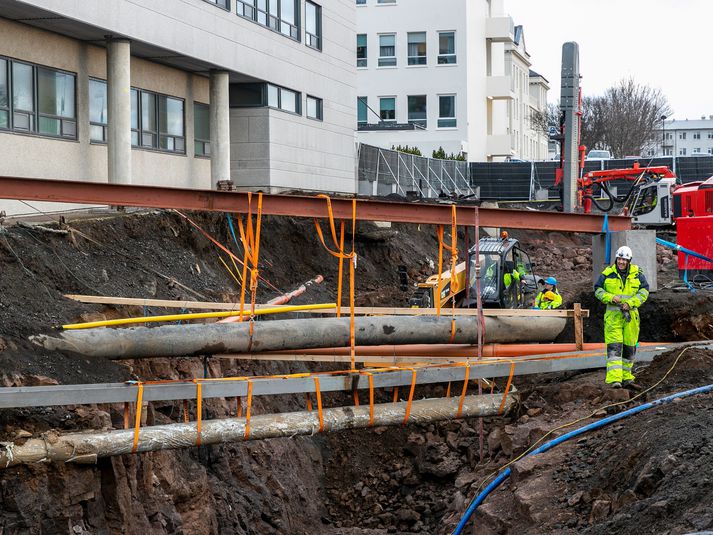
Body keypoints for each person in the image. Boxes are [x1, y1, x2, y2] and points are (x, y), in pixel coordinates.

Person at [594, 246, 650, 388]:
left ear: (629, 260)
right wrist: (611, 297)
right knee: (614, 348)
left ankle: (626, 377)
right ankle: (615, 380)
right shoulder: (608, 274)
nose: (621, 262)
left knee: (629, 347)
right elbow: (598, 290)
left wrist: (630, 303)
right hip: (613, 318)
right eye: (619, 259)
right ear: (616, 259)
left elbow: (644, 291)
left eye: (624, 260)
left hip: (630, 316)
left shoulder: (637, 274)